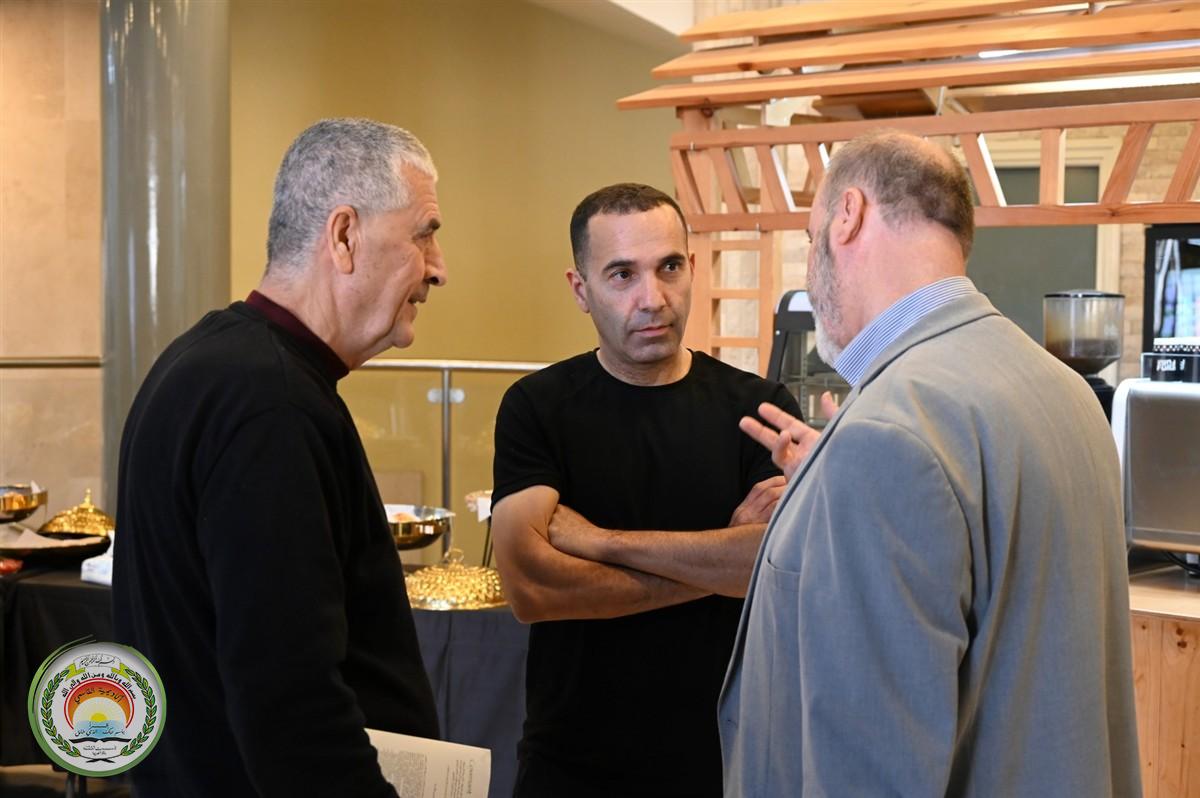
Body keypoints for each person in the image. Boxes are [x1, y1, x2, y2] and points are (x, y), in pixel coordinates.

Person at [721, 130, 1141, 796]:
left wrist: (856, 475)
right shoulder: (1067, 390)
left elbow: (868, 771)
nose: (809, 267)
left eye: (809, 235)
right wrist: (833, 485)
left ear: (848, 214)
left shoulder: (889, 433)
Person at [112, 118, 447, 797]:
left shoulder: (211, 360)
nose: (438, 267)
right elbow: (290, 702)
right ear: (344, 236)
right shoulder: (272, 405)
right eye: (423, 234)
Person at [489, 183, 802, 798]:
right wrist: (720, 563)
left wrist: (598, 542)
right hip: (571, 765)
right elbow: (530, 588)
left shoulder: (759, 409)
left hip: (723, 760)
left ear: (693, 269)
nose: (652, 298)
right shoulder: (536, 408)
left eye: (669, 267)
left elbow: (777, 566)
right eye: (622, 275)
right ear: (581, 289)